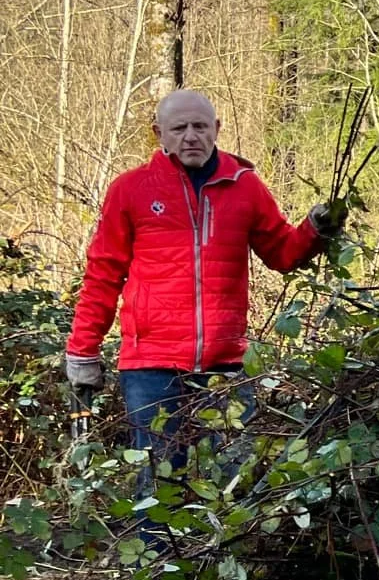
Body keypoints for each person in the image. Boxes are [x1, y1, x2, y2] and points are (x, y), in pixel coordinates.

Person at [64, 90, 346, 475]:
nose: (190, 136)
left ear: (217, 129)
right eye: (179, 128)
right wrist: (83, 352)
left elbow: (282, 253)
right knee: (159, 486)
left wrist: (316, 229)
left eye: (200, 126)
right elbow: (103, 274)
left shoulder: (245, 186)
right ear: (159, 133)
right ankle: (156, 540)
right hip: (150, 366)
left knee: (234, 483)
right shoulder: (131, 190)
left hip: (226, 365)